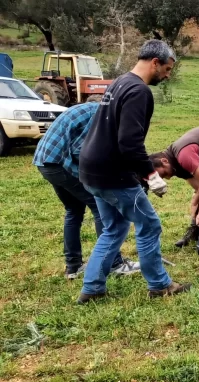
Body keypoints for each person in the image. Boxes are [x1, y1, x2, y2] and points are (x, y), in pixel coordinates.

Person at [77, 40, 190, 304]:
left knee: (114, 227)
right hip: (112, 174)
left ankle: (92, 288)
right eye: (167, 68)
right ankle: (159, 285)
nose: (168, 74)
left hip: (91, 170)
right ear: (155, 63)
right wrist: (152, 176)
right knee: (149, 224)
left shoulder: (119, 82)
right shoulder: (139, 91)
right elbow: (129, 143)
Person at [33, 102, 140, 279]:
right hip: (60, 163)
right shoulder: (101, 117)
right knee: (101, 206)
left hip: (45, 161)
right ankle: (114, 263)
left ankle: (73, 266)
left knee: (73, 210)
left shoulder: (95, 108)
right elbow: (80, 151)